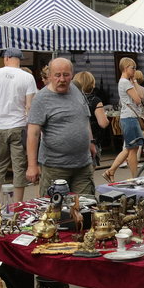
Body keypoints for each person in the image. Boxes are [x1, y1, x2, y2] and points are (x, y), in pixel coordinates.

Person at [26, 58, 96, 196]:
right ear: (50, 76)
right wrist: (31, 166)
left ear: (72, 74)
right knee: (56, 211)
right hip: (55, 167)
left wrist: (91, 142)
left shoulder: (76, 89)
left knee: (86, 207)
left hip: (82, 164)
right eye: (57, 75)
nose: (62, 79)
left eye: (66, 74)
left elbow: (84, 118)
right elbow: (33, 134)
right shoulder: (41, 99)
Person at [0, 47, 37, 204]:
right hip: (19, 126)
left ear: (6, 58)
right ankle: (17, 203)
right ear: (19, 59)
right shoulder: (27, 77)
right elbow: (29, 106)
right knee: (19, 166)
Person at [104, 58, 144, 181]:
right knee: (132, 149)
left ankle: (111, 171)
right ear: (126, 68)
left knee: (130, 148)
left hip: (129, 117)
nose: (135, 70)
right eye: (133, 68)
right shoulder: (125, 82)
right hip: (130, 118)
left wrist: (135, 81)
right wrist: (134, 83)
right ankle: (134, 177)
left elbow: (141, 96)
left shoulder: (126, 82)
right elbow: (138, 100)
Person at [72, 71, 110, 166]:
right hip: (92, 140)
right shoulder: (95, 100)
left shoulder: (71, 99)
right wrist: (106, 118)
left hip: (73, 139)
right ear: (92, 84)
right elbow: (103, 123)